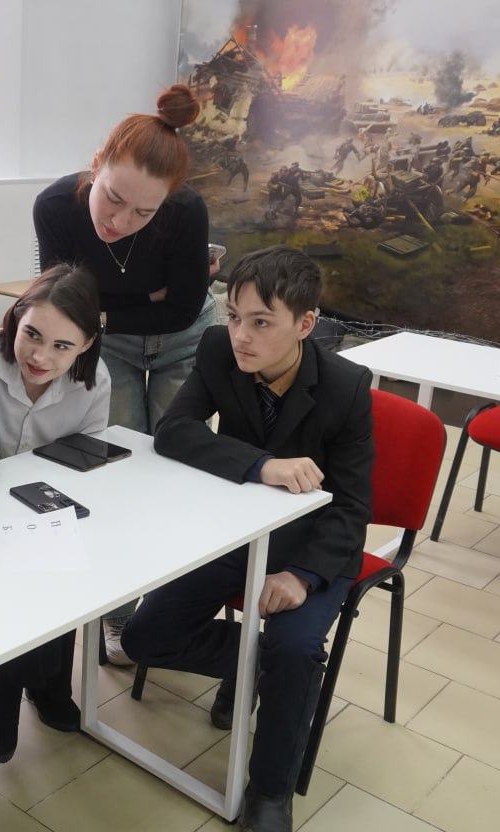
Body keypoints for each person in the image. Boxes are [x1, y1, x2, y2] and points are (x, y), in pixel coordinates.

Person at [121, 246, 374, 832]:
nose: (241, 335)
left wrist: (302, 576)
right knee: (143, 636)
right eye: (234, 316)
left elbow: (353, 508)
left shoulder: (345, 387)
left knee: (295, 648)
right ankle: (264, 672)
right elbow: (174, 432)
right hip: (235, 534)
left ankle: (270, 792)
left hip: (312, 549)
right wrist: (262, 465)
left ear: (305, 324)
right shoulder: (218, 350)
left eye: (261, 322)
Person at [33, 83, 220, 658]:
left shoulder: (186, 212)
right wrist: (141, 300)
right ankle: (117, 616)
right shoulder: (54, 207)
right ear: (96, 166)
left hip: (182, 341)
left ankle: (168, 609)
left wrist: (106, 306)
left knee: (174, 461)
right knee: (113, 467)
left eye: (144, 212)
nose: (120, 220)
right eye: (112, 198)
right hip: (108, 345)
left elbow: (183, 308)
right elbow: (66, 302)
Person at [0, 263, 110, 762]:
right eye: (31, 335)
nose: (41, 356)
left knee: (65, 564)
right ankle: (21, 683)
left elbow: (86, 464)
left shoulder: (95, 381)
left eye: (62, 346)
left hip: (44, 510)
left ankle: (22, 684)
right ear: (15, 318)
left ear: (87, 343)